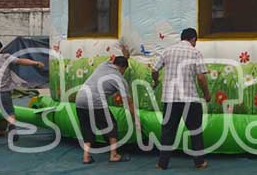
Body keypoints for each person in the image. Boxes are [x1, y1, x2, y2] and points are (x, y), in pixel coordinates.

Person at [153, 28, 211, 170]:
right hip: (189, 98)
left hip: (170, 98)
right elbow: (201, 77)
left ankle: (162, 164)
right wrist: (206, 94)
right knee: (195, 131)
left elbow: (154, 70)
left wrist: (156, 81)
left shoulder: (167, 51)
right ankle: (199, 162)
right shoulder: (195, 52)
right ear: (193, 39)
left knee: (167, 132)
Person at [0, 42, 44, 149]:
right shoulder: (4, 57)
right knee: (10, 112)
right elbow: (20, 61)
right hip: (4, 92)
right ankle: (12, 125)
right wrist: (35, 63)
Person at [75, 55, 139, 164]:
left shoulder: (103, 65)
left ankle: (86, 157)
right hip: (96, 101)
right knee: (111, 125)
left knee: (87, 127)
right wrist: (136, 119)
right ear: (123, 68)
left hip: (80, 98)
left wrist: (125, 53)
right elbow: (129, 102)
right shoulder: (120, 79)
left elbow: (112, 59)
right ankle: (113, 155)